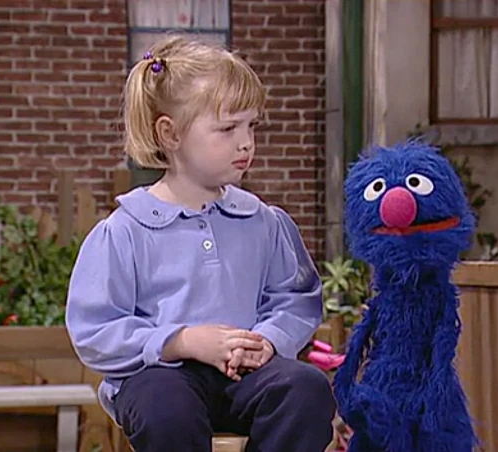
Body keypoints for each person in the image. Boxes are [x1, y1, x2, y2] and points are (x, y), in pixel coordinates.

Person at [65, 35, 336, 452]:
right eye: (227, 128)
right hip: (163, 376)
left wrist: (267, 340)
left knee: (304, 388)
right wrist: (182, 341)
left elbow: (295, 299)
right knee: (164, 405)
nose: (246, 142)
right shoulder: (124, 231)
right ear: (170, 134)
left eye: (251, 125)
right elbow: (96, 329)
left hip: (247, 377)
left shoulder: (263, 222)